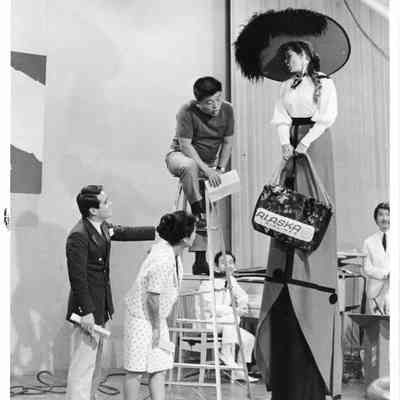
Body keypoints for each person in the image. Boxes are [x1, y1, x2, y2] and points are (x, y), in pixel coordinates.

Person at [255, 41, 342, 400]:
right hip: (292, 142)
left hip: (314, 143)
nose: (286, 62)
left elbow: (327, 116)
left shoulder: (325, 84)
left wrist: (306, 143)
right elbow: (279, 117)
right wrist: (285, 144)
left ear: (304, 55)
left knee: (312, 202)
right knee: (286, 202)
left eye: (289, 57)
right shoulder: (285, 87)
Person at [65, 185, 155, 400]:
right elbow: (77, 278)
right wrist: (86, 312)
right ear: (93, 210)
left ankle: (90, 397)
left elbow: (124, 232)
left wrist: (158, 230)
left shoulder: (102, 227)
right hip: (87, 309)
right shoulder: (78, 235)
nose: (110, 204)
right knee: (83, 365)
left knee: (96, 364)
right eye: (105, 202)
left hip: (101, 304)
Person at [124, 211, 196, 400]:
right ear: (185, 238)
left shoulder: (169, 250)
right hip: (141, 317)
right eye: (194, 231)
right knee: (136, 369)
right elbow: (152, 298)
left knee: (159, 366)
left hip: (156, 317)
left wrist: (158, 325)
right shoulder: (164, 259)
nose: (196, 235)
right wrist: (156, 327)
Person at [166, 76, 235, 229]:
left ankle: (202, 225)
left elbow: (227, 142)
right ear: (198, 104)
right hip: (179, 156)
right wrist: (207, 170)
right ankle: (198, 212)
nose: (216, 106)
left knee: (218, 182)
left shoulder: (227, 109)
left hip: (208, 163)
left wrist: (220, 169)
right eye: (209, 103)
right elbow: (186, 146)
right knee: (189, 165)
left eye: (218, 99)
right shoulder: (186, 111)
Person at [198, 251, 258, 382]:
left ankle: (239, 371)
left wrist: (242, 305)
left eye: (231, 262)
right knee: (233, 318)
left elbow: (242, 296)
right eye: (223, 263)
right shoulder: (207, 283)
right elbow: (211, 308)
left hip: (225, 323)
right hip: (208, 323)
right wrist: (234, 311)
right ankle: (225, 353)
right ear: (216, 266)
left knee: (249, 339)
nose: (228, 265)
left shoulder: (231, 281)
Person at [362, 202, 390, 315]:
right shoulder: (368, 242)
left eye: (387, 215)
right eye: (381, 215)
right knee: (378, 324)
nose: (384, 218)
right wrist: (386, 274)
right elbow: (367, 268)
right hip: (375, 292)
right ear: (376, 219)